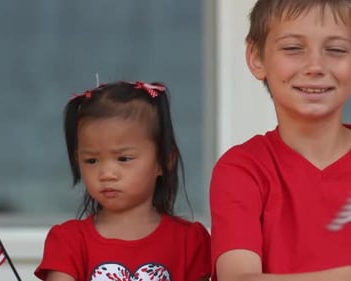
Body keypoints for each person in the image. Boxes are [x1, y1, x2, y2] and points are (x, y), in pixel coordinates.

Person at [209, 0, 351, 280]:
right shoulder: (241, 169)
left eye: (336, 50)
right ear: (256, 57)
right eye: (293, 48)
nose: (315, 66)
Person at [34, 81, 210, 281]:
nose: (106, 173)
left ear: (164, 161)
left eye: (123, 159)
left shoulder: (190, 241)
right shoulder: (68, 241)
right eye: (91, 160)